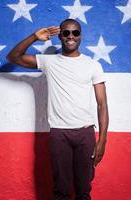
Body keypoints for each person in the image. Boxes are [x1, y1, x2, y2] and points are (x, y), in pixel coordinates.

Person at [6, 19, 109, 200]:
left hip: (85, 133)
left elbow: (102, 104)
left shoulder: (93, 65)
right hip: (59, 133)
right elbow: (12, 57)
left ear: (80, 36)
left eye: (75, 33)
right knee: (61, 191)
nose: (71, 36)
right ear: (60, 36)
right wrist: (34, 37)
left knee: (83, 190)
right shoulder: (49, 62)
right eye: (66, 32)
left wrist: (102, 139)